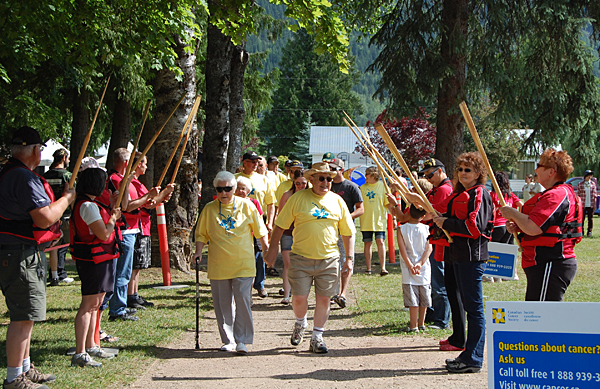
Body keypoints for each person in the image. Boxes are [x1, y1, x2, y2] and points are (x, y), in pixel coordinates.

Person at [0, 126, 75, 388]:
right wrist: (66, 199)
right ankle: (13, 378)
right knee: (21, 317)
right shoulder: (22, 177)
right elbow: (44, 218)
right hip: (19, 253)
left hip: (18, 251)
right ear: (35, 150)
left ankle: (24, 367)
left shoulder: (11, 173)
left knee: (27, 314)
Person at [265, 162, 355, 353]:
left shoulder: (337, 201)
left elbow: (348, 232)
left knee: (324, 299)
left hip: (329, 258)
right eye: (321, 178)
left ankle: (317, 337)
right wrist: (272, 251)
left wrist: (349, 258)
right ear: (311, 179)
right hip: (301, 257)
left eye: (329, 179)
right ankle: (300, 322)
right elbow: (280, 226)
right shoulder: (298, 198)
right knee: (299, 298)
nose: (325, 182)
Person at [429, 152, 494, 373]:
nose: (463, 173)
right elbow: (450, 218)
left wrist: (447, 222)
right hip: (458, 255)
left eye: (468, 170)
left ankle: (473, 359)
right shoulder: (462, 193)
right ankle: (467, 354)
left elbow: (475, 227)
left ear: (478, 173)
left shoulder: (479, 194)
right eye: (461, 169)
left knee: (474, 309)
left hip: (472, 258)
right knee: (469, 306)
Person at [194, 171, 269, 354]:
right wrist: (197, 251)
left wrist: (267, 250)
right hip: (219, 264)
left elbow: (260, 231)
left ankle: (242, 340)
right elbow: (201, 233)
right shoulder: (209, 209)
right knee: (223, 303)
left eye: (228, 189)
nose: (224, 193)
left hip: (243, 263)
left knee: (243, 300)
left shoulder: (247, 206)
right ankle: (228, 340)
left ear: (234, 189)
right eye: (220, 189)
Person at [501, 148, 581, 302]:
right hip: (544, 263)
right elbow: (539, 225)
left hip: (552, 263)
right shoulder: (553, 193)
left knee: (542, 318)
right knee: (537, 315)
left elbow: (533, 227)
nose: (536, 170)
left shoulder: (556, 195)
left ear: (551, 172)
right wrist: (519, 225)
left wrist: (513, 214)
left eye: (539, 166)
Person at [70, 167, 121, 368]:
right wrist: (113, 218)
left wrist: (112, 208)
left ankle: (91, 345)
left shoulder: (92, 204)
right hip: (92, 260)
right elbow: (103, 233)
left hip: (101, 259)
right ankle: (80, 352)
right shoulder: (87, 206)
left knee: (96, 303)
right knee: (88, 304)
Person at [102, 148, 160, 321]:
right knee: (122, 271)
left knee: (126, 270)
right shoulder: (115, 179)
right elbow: (127, 206)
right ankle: (117, 308)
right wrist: (146, 195)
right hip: (124, 229)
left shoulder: (124, 180)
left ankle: (120, 305)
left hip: (130, 229)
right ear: (127, 164)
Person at [127, 152, 175, 310]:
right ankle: (130, 295)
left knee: (139, 265)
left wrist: (162, 195)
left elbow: (152, 202)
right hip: (137, 225)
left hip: (144, 225)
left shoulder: (138, 183)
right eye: (144, 163)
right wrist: (155, 195)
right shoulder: (131, 183)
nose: (146, 166)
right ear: (138, 164)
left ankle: (134, 293)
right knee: (134, 264)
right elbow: (146, 203)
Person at [416, 158, 453, 332]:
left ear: (439, 171)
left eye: (430, 175)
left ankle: (442, 319)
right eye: (425, 175)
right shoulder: (437, 189)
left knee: (439, 281)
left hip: (441, 241)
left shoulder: (445, 189)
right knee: (433, 279)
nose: (428, 179)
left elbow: (432, 212)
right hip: (434, 239)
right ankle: (432, 313)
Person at [235, 151, 276, 297]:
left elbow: (271, 203)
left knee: (259, 252)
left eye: (256, 162)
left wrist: (270, 222)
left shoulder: (263, 179)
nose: (254, 165)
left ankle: (260, 284)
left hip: (259, 219)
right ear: (244, 162)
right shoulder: (235, 179)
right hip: (238, 221)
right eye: (251, 162)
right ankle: (242, 283)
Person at [328, 158, 364, 308]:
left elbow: (360, 209)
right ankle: (333, 293)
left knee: (346, 260)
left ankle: (342, 293)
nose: (331, 171)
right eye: (329, 168)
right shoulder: (325, 186)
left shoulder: (351, 187)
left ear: (341, 170)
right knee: (331, 260)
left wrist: (346, 217)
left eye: (334, 169)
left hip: (346, 230)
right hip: (329, 229)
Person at [397, 205, 432, 332]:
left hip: (408, 268)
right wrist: (420, 263)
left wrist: (411, 265)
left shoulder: (401, 229)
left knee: (412, 297)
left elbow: (402, 250)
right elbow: (429, 248)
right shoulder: (427, 228)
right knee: (424, 295)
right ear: (423, 216)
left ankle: (413, 325)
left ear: (408, 213)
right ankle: (421, 323)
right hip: (423, 268)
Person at [43, 148, 75, 286]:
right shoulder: (67, 176)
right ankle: (60, 273)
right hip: (65, 213)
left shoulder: (45, 175)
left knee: (52, 246)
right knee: (62, 245)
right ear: (63, 158)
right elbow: (72, 196)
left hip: (48, 213)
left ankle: (54, 274)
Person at [277, 169, 308, 305]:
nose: (301, 186)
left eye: (304, 184)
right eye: (298, 183)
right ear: (293, 183)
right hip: (288, 232)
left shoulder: (310, 196)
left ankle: (299, 293)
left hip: (304, 233)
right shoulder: (287, 195)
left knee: (302, 264)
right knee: (288, 263)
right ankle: (286, 294)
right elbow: (281, 215)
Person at [360, 166, 391, 276]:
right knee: (368, 243)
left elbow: (387, 203)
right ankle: (368, 268)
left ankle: (383, 268)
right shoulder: (362, 188)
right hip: (366, 220)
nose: (365, 176)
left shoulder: (383, 186)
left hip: (379, 219)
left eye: (367, 174)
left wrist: (395, 218)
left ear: (373, 175)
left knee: (380, 242)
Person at [491, 171, 523, 244]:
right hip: (509, 226)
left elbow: (491, 210)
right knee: (506, 250)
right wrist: (518, 219)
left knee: (494, 252)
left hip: (497, 226)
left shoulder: (492, 194)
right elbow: (521, 205)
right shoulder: (510, 195)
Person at [577, 170, 596, 237]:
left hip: (590, 203)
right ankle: (581, 231)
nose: (590, 177)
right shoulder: (581, 184)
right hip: (583, 204)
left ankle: (589, 232)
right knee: (582, 218)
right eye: (589, 175)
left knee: (590, 219)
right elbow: (578, 195)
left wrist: (595, 204)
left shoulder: (593, 184)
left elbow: (595, 195)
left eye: (591, 175)